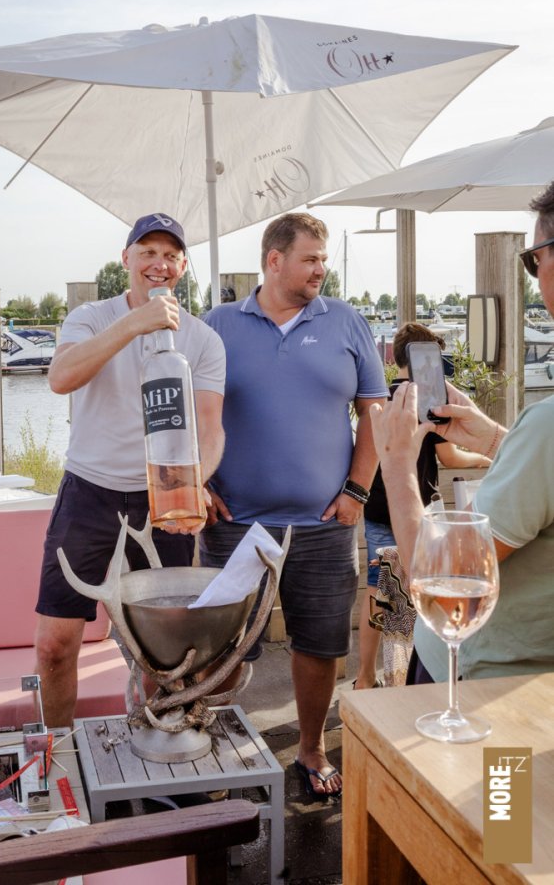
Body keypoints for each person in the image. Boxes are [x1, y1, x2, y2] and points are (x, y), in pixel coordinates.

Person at [200, 212, 388, 798]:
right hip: (234, 524)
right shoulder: (217, 325)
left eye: (324, 259)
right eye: (310, 259)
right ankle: (216, 752)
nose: (320, 269)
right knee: (222, 650)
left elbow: (374, 411)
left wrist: (357, 492)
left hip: (325, 526)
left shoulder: (347, 322)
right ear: (274, 260)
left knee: (321, 643)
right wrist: (196, 483)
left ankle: (311, 748)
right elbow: (184, 413)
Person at [35, 213, 226, 728]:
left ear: (181, 267)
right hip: (88, 492)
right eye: (148, 252)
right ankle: (57, 752)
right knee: (55, 645)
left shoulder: (204, 340)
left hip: (161, 498)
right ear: (126, 259)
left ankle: (155, 740)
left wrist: (196, 482)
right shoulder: (91, 317)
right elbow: (60, 377)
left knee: (165, 651)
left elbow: (210, 429)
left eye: (170, 255)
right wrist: (134, 324)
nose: (159, 264)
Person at [369, 182, 554, 683]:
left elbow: (436, 580)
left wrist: (396, 464)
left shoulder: (547, 425)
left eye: (533, 259)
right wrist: (495, 439)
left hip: (480, 678)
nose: (535, 275)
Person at [354, 322, 491, 690]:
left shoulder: (381, 399)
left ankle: (364, 677)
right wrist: (487, 456)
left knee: (377, 591)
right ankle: (414, 673)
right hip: (416, 508)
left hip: (377, 505)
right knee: (423, 590)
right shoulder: (429, 402)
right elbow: (451, 457)